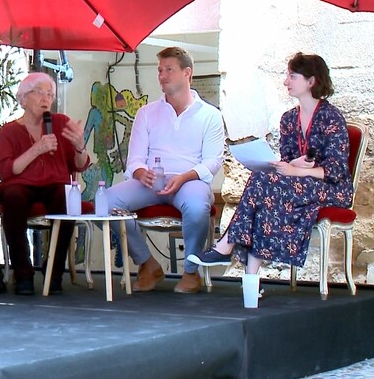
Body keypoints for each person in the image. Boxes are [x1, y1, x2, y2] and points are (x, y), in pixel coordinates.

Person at [188, 53, 353, 276]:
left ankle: (227, 247)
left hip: (332, 189)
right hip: (298, 186)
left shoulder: (331, 117)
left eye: (292, 77)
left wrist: (296, 170)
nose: (286, 82)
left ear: (311, 81)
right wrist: (289, 165)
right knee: (263, 189)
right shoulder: (288, 119)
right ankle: (248, 272)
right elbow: (288, 161)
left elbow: (337, 170)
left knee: (262, 187)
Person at [105, 47, 224, 294]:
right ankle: (147, 263)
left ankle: (191, 272)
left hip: (190, 179)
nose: (162, 75)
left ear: (186, 73)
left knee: (196, 206)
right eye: (160, 70)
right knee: (106, 202)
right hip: (152, 179)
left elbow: (212, 161)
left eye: (169, 70)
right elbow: (135, 157)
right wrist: (140, 172)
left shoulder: (210, 115)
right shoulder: (147, 112)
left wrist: (185, 177)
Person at [0, 72, 90, 296]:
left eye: (51, 94)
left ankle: (54, 272)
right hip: (20, 184)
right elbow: (7, 172)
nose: (46, 99)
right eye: (40, 93)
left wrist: (79, 147)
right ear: (23, 98)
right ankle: (23, 273)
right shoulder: (8, 131)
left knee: (66, 198)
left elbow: (79, 165)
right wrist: (37, 149)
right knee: (14, 196)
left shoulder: (61, 123)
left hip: (54, 183)